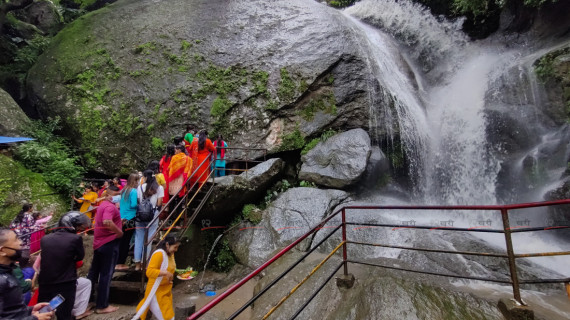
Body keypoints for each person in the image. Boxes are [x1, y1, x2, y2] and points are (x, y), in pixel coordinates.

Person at [38, 211, 89, 320]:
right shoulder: (75, 239)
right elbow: (80, 257)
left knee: (43, 312)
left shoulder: (45, 239)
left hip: (45, 283)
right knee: (64, 313)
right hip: (65, 283)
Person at [0, 228, 55, 320]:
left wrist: (30, 310)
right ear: (2, 251)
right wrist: (34, 318)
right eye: (16, 239)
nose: (20, 242)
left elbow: (9, 310)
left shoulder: (8, 270)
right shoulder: (2, 279)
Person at [87, 185, 123, 314]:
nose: (118, 196)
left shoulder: (102, 205)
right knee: (106, 275)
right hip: (109, 243)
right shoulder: (109, 206)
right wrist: (119, 232)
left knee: (93, 273)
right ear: (108, 195)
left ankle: (88, 300)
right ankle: (102, 305)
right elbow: (107, 221)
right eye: (116, 193)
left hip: (99, 243)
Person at [132, 235, 180, 320]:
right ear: (167, 245)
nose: (176, 250)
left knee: (168, 315)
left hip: (166, 290)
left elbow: (171, 268)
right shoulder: (159, 254)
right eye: (175, 247)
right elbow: (149, 272)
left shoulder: (170, 254)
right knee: (167, 317)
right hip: (156, 291)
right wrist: (165, 273)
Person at [134, 170, 164, 271]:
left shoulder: (140, 187)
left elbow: (138, 201)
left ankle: (137, 265)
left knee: (138, 238)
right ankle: (144, 263)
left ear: (145, 177)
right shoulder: (159, 188)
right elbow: (159, 203)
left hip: (140, 214)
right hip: (153, 215)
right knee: (149, 239)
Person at [116, 173, 139, 271]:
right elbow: (133, 205)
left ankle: (117, 262)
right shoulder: (133, 191)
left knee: (121, 240)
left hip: (122, 217)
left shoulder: (124, 190)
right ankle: (121, 263)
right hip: (131, 217)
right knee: (127, 241)